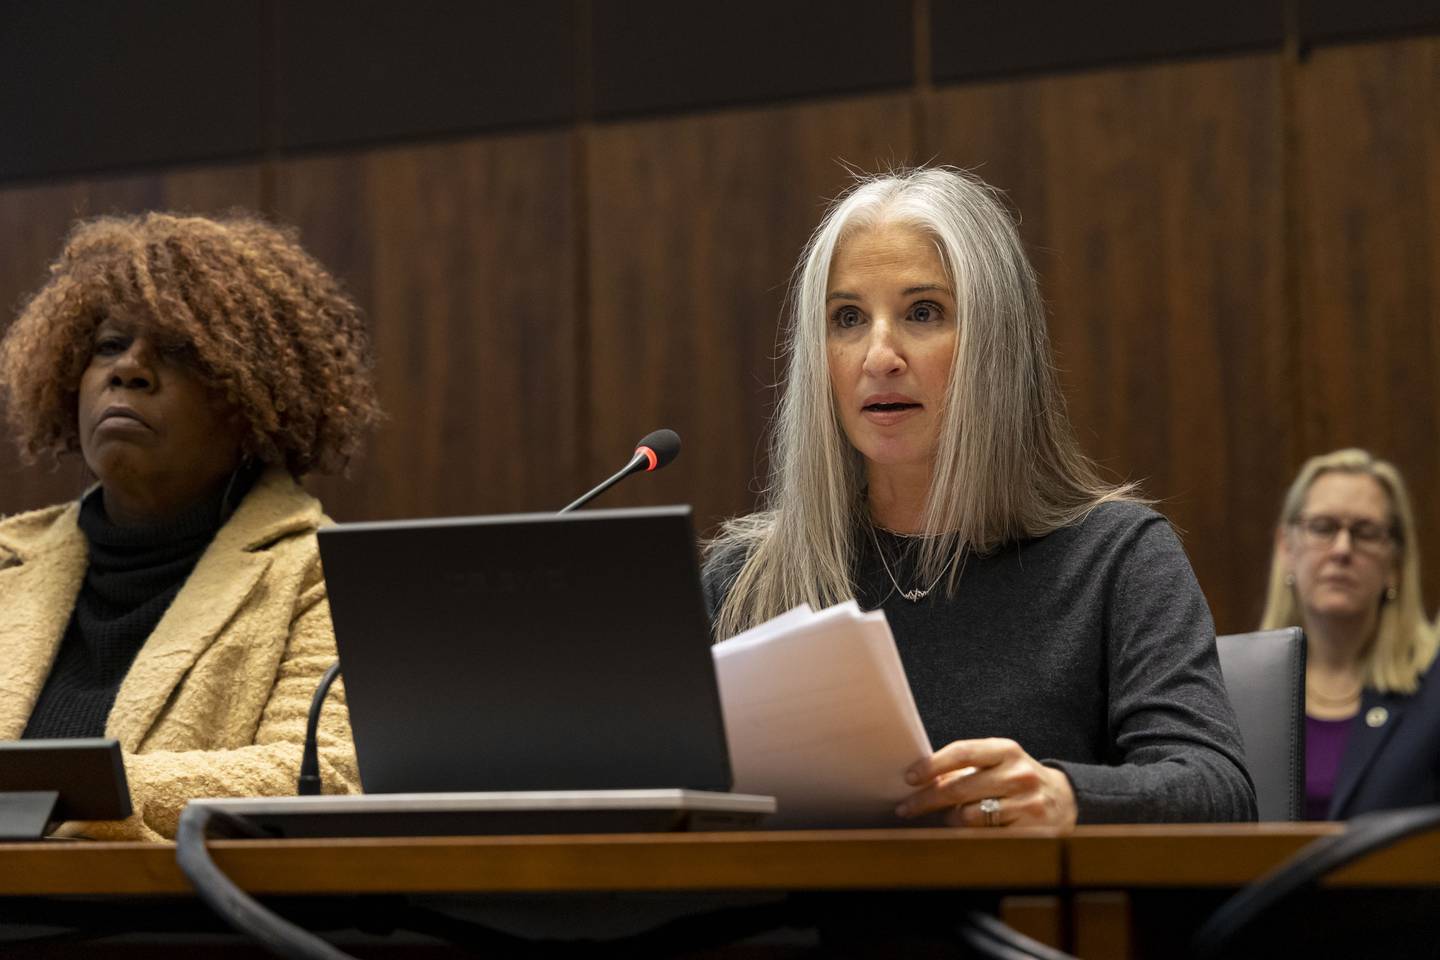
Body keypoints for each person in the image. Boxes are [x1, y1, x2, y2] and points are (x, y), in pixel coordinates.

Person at [703, 167, 1255, 827]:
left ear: (997, 344)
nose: (879, 355)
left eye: (923, 312)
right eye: (847, 318)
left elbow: (1218, 789)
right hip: (784, 929)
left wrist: (1067, 797)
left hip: (1024, 925)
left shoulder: (1114, 560)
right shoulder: (747, 579)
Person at [0, 212, 382, 841]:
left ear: (253, 397)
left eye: (179, 353)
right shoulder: (9, 558)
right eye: (108, 346)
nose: (129, 370)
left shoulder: (321, 573)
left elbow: (321, 771)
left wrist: (84, 793)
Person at [1260, 449, 1440, 819]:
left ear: (1395, 562)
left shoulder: (1434, 688)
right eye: (1323, 528)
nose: (1342, 550)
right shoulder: (1241, 685)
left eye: (1365, 532)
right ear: (1286, 548)